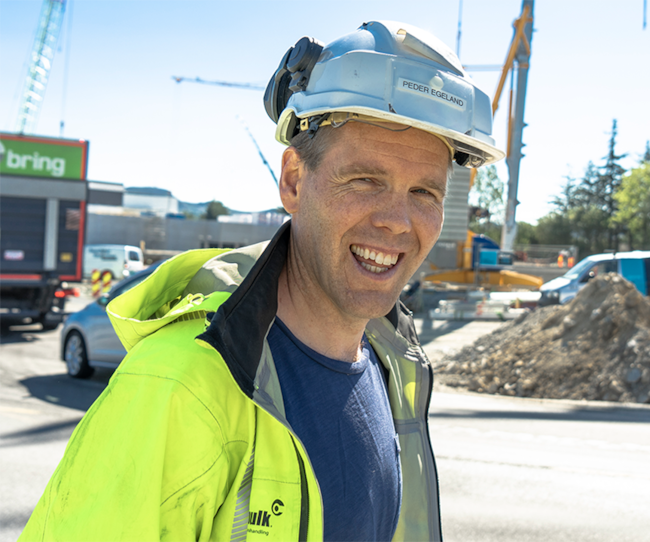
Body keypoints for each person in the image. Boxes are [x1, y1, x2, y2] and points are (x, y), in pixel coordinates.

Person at [20, 21, 503, 541]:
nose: (397, 221)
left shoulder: (390, 366)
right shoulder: (184, 384)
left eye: (424, 193)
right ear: (294, 180)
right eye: (365, 180)